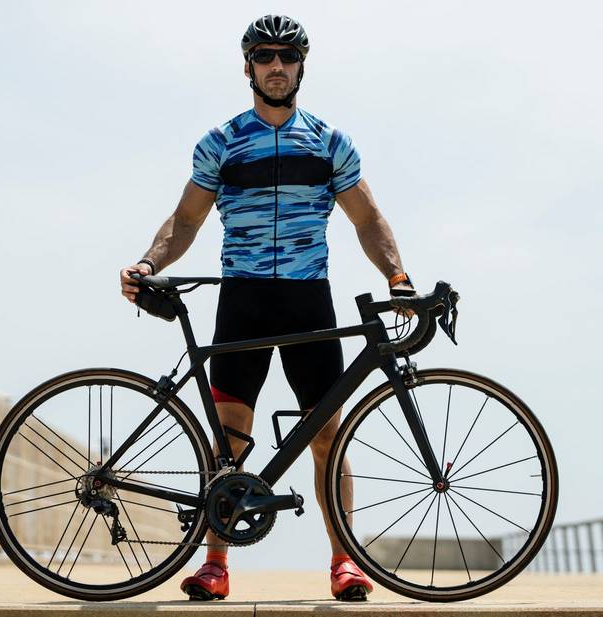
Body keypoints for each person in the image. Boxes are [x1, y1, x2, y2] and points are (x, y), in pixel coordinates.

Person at [119, 14, 415, 602]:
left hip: (308, 299)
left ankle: (345, 561)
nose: (275, 66)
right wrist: (149, 263)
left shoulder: (330, 143)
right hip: (244, 298)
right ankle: (215, 564)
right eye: (263, 56)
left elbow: (367, 219)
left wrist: (397, 276)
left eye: (286, 56)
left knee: (327, 436)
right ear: (248, 66)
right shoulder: (222, 143)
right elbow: (186, 220)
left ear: (302, 65)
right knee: (231, 438)